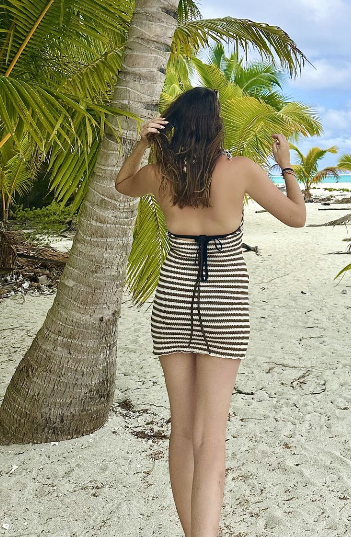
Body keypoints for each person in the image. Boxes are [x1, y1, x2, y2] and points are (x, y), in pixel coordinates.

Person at [114, 86, 306, 537]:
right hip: (224, 301)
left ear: (176, 127)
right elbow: (297, 216)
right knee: (211, 435)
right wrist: (287, 166)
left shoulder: (161, 173)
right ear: (216, 127)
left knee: (181, 431)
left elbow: (122, 185)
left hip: (174, 298)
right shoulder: (239, 171)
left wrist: (143, 142)